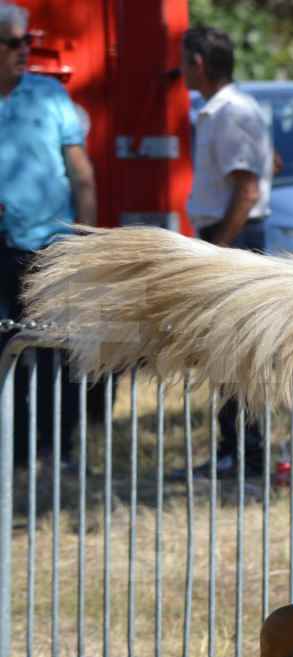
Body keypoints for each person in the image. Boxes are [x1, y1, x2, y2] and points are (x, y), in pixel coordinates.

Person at [0, 2, 98, 464]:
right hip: (2, 248)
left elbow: (81, 175)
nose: (24, 51)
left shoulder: (49, 97)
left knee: (56, 349)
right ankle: (13, 448)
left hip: (48, 248)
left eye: (27, 42)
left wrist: (85, 244)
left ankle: (57, 447)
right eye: (14, 43)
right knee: (7, 352)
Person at [181, 25, 271, 478]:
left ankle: (244, 454)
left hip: (233, 235)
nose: (179, 70)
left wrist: (219, 248)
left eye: (183, 61)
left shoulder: (229, 113)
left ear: (198, 63)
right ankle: (233, 449)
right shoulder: (230, 109)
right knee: (226, 351)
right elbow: (268, 166)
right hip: (233, 233)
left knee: (234, 351)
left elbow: (248, 188)